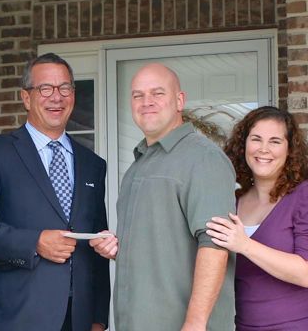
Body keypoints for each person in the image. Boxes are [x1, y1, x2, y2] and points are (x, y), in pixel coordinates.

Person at [0, 53, 109, 331]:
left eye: (65, 88)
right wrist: (34, 242)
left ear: (73, 96)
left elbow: (97, 238)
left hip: (78, 319)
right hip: (14, 316)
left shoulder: (93, 164)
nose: (56, 97)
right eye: (45, 88)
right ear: (26, 98)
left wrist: (98, 317)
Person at [90, 63, 236, 330]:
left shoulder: (203, 159)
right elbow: (164, 246)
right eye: (138, 95)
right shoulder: (137, 167)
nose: (147, 102)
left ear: (179, 100)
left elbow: (215, 245)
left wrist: (195, 323)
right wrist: (118, 249)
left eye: (157, 93)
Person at [205, 106, 308, 330]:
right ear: (243, 145)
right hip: (245, 324)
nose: (263, 149)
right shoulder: (232, 201)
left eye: (275, 141)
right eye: (256, 139)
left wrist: (245, 245)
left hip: (302, 324)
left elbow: (306, 273)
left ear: (289, 150)